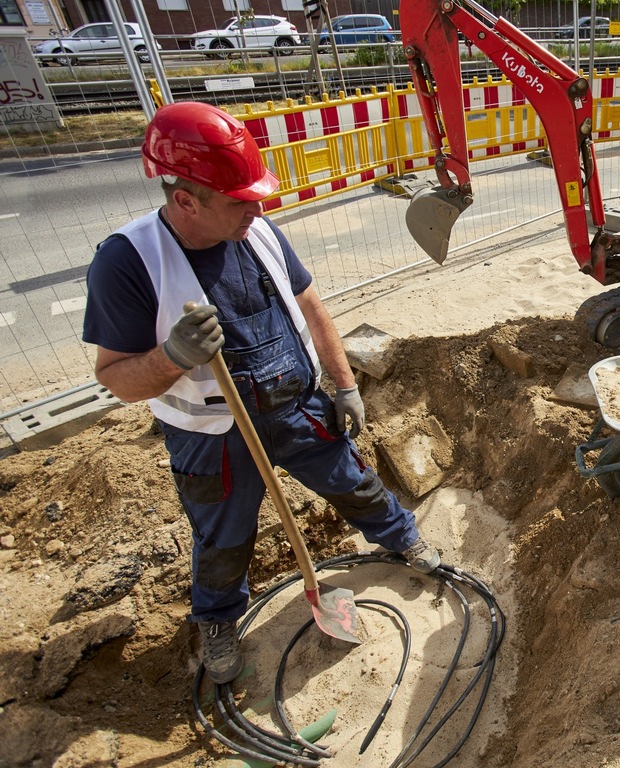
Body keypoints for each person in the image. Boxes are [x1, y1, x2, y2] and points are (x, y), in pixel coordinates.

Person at [81, 101, 440, 684]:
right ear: (186, 200)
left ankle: (403, 539)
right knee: (223, 535)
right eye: (240, 200)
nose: (258, 207)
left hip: (295, 406)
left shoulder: (259, 231)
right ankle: (219, 619)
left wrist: (343, 384)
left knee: (353, 480)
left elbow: (310, 305)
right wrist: (171, 357)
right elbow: (115, 377)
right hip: (213, 436)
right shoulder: (129, 262)